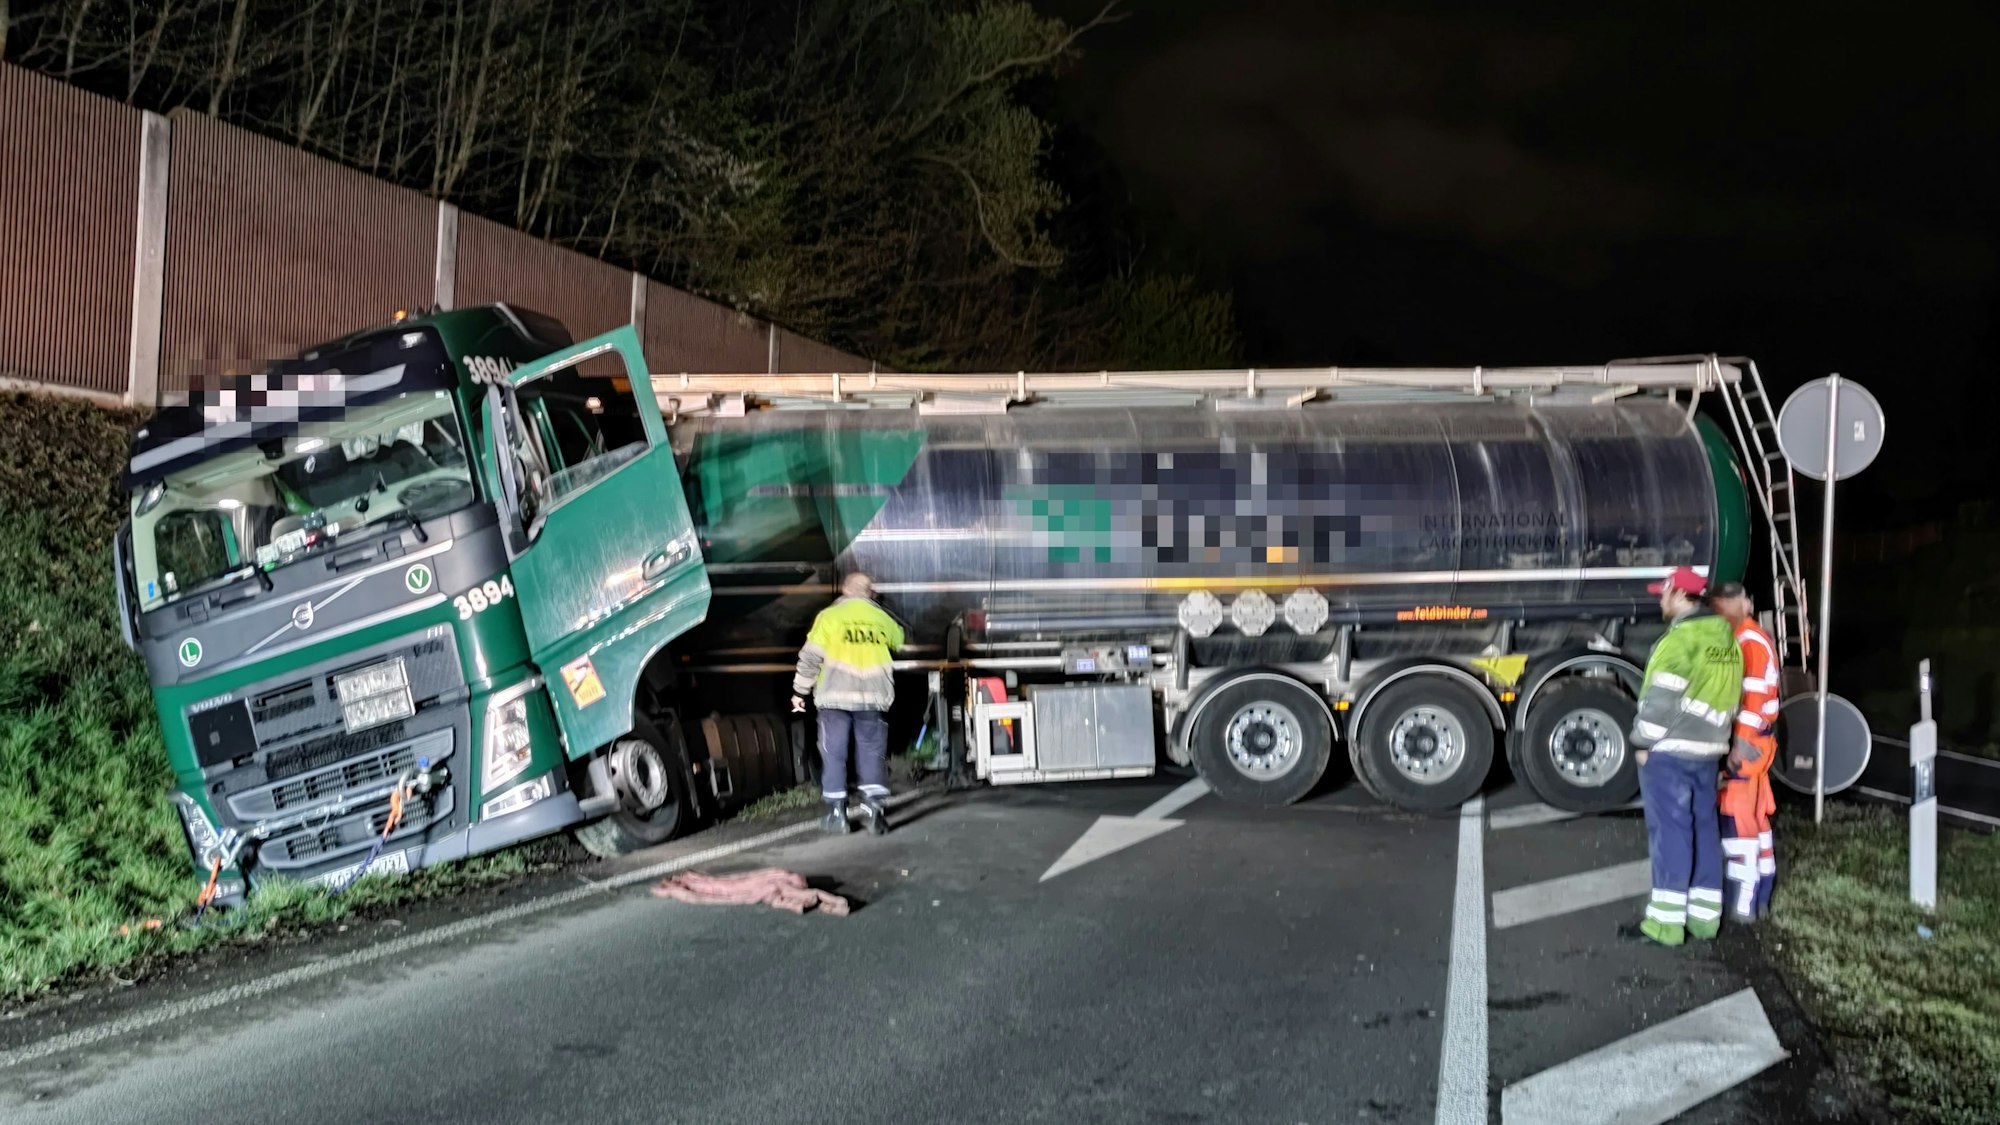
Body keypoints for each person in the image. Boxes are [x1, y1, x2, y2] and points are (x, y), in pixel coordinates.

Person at [1621, 566, 1742, 947]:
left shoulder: (1678, 641)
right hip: (1708, 751)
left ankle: (1665, 925)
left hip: (1670, 753)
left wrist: (1642, 743)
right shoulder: (1727, 640)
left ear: (1677, 593)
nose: (1660, 599)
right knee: (1704, 829)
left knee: (1670, 833)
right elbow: (1732, 700)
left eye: (1663, 592)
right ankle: (1705, 919)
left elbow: (1659, 702)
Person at [792, 572, 904, 836]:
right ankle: (874, 811)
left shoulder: (829, 617)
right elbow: (899, 641)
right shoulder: (882, 619)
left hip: (835, 700)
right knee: (871, 753)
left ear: (845, 590)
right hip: (872, 699)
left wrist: (799, 691)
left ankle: (837, 815)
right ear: (870, 593)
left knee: (834, 754)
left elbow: (810, 658)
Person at [1712, 582, 1780, 921]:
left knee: (1737, 820)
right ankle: (1764, 890)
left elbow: (1751, 699)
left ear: (1741, 605)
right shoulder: (1757, 637)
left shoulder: (1747, 642)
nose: (1719, 612)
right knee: (1756, 818)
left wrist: (1737, 745)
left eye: (1724, 605)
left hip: (1749, 744)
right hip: (1761, 743)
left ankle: (1744, 902)